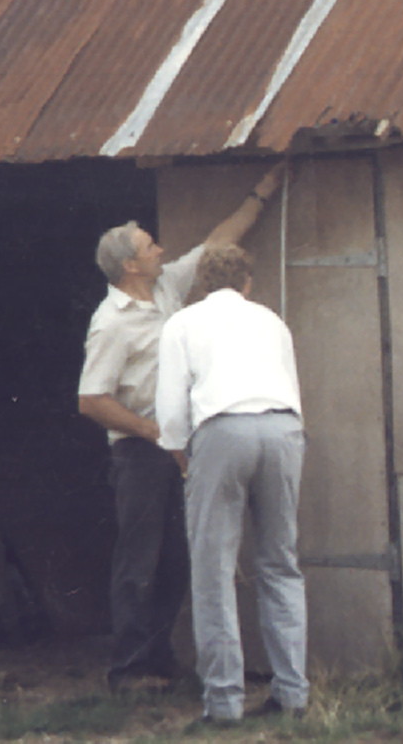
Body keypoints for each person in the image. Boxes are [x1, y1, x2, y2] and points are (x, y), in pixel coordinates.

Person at [77, 166, 287, 690]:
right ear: (129, 265)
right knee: (140, 559)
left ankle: (159, 660)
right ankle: (127, 670)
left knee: (176, 556)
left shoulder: (166, 287)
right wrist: (153, 432)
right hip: (142, 452)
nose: (160, 250)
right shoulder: (112, 322)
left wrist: (261, 193)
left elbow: (217, 243)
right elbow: (90, 400)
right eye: (149, 247)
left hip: (176, 445)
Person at [156, 245, 308, 723]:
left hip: (222, 430)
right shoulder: (271, 321)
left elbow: (171, 409)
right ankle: (292, 693)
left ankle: (224, 702)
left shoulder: (182, 324)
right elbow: (291, 384)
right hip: (283, 428)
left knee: (214, 570)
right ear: (247, 282)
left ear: (201, 283)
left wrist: (182, 454)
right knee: (280, 563)